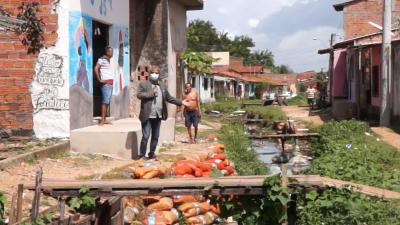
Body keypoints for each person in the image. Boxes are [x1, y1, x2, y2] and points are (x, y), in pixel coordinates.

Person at [137, 66, 189, 159]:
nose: (154, 75)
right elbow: (139, 95)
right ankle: (141, 155)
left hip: (158, 115)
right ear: (149, 74)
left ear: (159, 75)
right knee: (146, 136)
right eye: (153, 72)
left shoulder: (162, 85)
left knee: (155, 136)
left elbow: (169, 98)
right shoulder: (144, 84)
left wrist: (181, 102)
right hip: (147, 115)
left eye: (156, 73)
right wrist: (151, 94)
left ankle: (151, 153)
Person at [94, 46, 114, 125]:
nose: (112, 53)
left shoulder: (110, 60)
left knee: (107, 101)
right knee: (105, 102)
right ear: (107, 52)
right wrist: (99, 79)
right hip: (105, 83)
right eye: (111, 52)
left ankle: (105, 119)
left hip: (110, 83)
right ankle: (102, 120)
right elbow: (96, 68)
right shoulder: (102, 59)